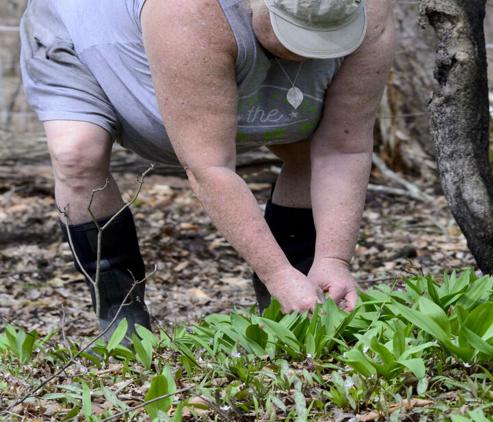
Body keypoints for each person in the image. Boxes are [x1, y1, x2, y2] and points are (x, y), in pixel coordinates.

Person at [18, 0, 395, 344]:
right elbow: (209, 166)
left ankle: (298, 300)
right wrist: (275, 272)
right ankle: (121, 314)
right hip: (97, 36)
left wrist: (333, 260)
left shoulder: (372, 11)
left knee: (308, 143)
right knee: (77, 152)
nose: (305, 52)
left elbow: (342, 147)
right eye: (296, 34)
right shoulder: (190, 9)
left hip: (219, 41)